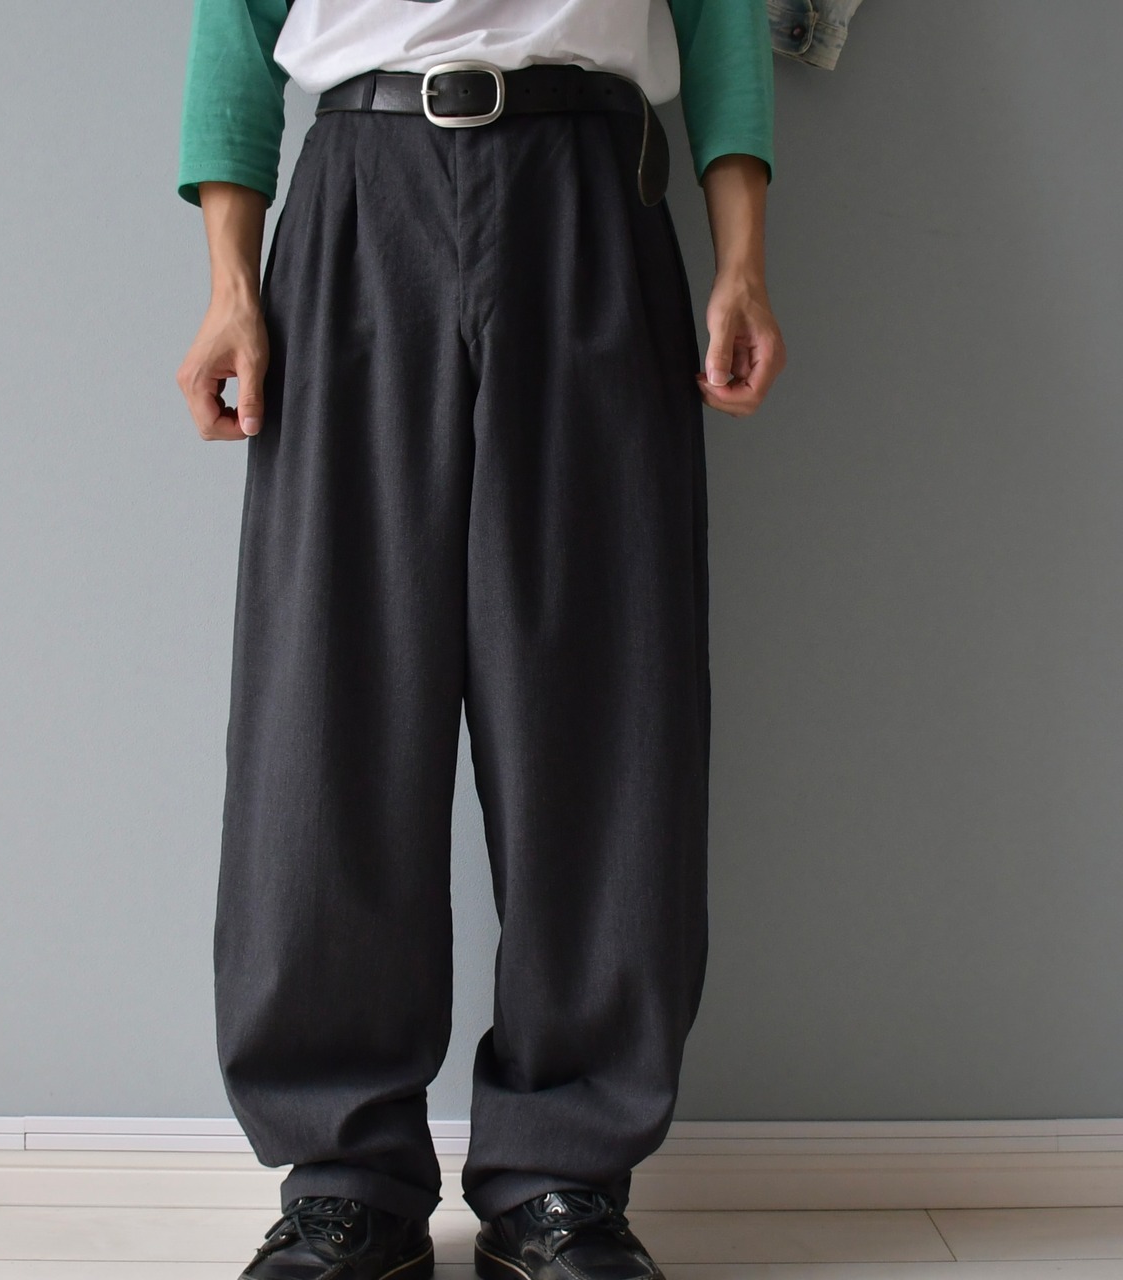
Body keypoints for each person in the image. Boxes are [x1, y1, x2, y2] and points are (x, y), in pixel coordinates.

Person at [174, 3, 786, 1279]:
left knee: (602, 704)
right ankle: (342, 1175)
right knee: (327, 703)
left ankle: (563, 1174)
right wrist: (230, 284)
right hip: (355, 194)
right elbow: (233, 25)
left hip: (591, 192)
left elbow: (719, 19)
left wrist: (742, 256)